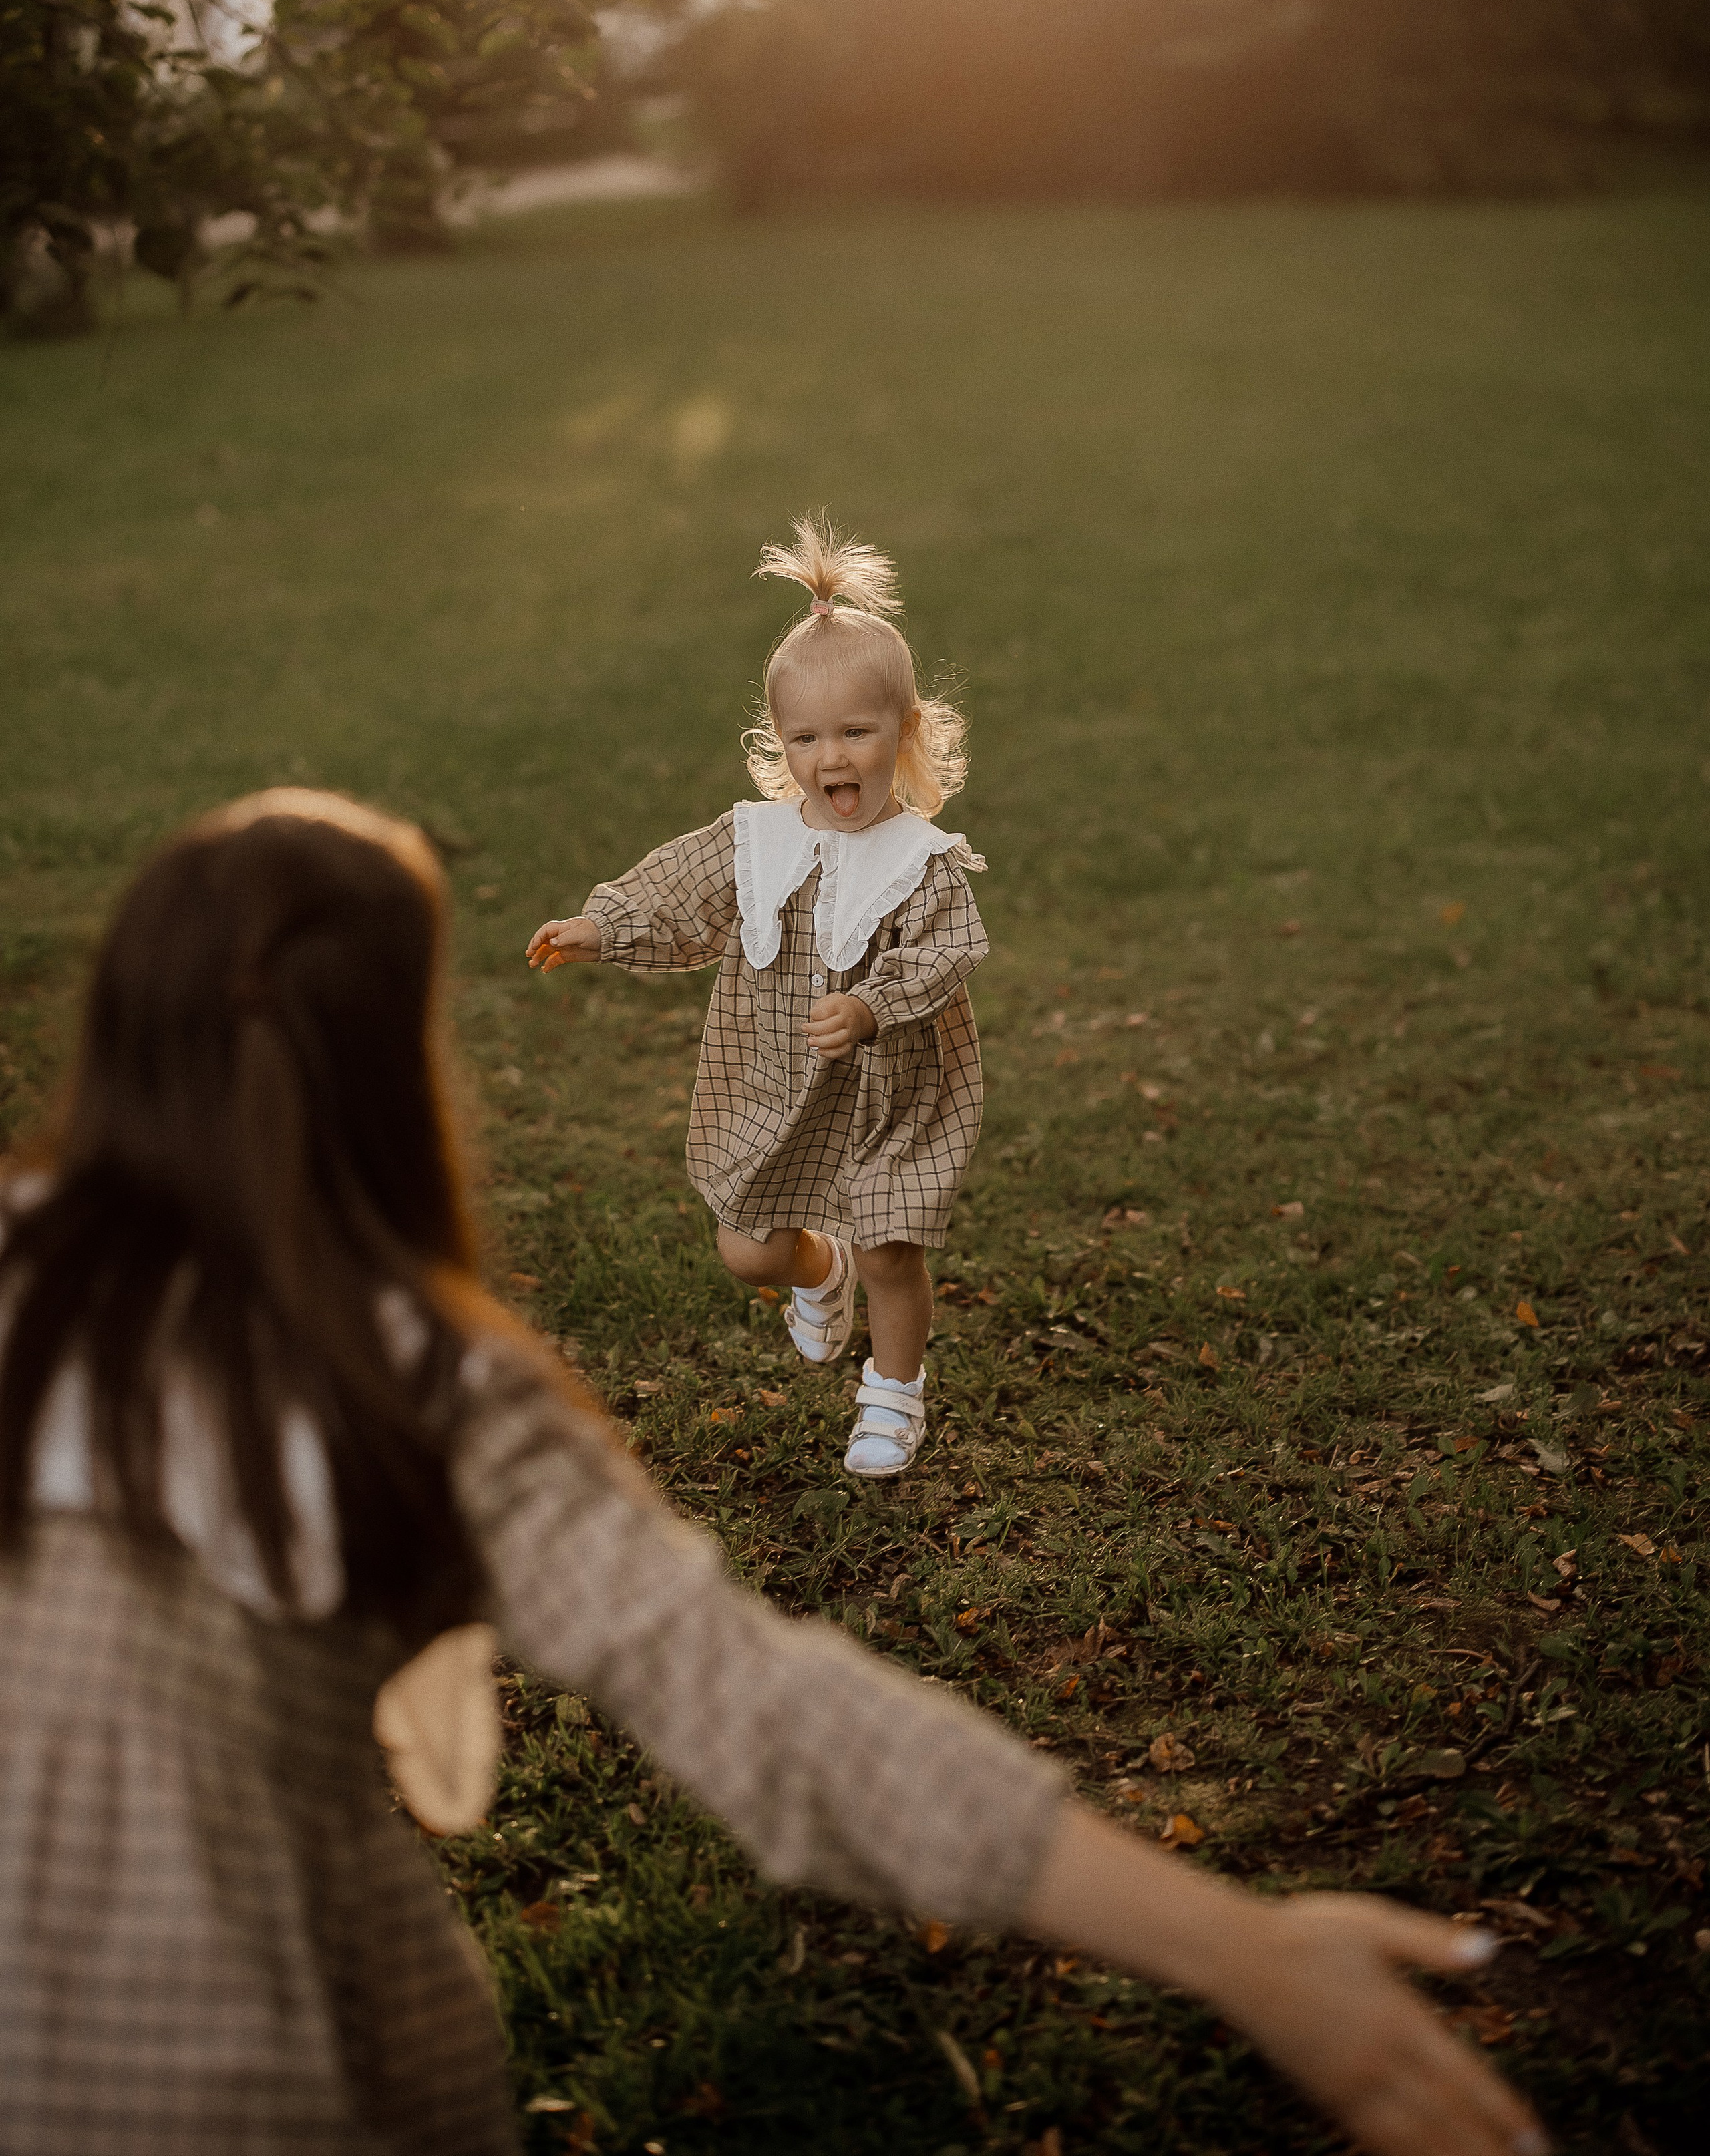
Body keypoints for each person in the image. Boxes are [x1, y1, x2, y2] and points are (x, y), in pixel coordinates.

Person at [0, 789, 1546, 2156]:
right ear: (392, 1072)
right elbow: (770, 1715)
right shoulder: (420, 1391)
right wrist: (1245, 1952)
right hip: (262, 2078)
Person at [528, 515, 988, 1479]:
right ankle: (822, 1266)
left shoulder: (923, 864)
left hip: (894, 1092)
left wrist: (870, 1006)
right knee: (749, 1252)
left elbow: (950, 955)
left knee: (896, 1244)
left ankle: (894, 1396)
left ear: (904, 735)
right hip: (780, 1083)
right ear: (781, 744)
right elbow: (678, 894)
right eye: (807, 737)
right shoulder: (757, 843)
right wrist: (602, 926)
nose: (832, 757)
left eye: (857, 733)